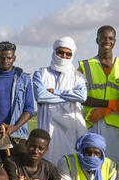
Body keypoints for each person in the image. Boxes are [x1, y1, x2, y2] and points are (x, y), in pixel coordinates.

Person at [78, 26, 119, 162]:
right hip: (92, 123)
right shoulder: (84, 66)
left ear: (115, 41)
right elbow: (80, 97)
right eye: (103, 38)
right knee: (93, 165)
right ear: (97, 40)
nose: (107, 41)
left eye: (110, 38)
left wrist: (108, 109)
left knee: (117, 165)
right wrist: (109, 105)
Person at [33, 37, 88, 165]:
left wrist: (56, 92)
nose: (64, 56)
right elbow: (41, 96)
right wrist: (69, 96)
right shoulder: (41, 73)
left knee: (71, 165)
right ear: (54, 51)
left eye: (68, 54)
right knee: (47, 162)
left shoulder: (78, 77)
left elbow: (82, 97)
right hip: (48, 125)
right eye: (60, 52)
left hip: (71, 129)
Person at [0, 41, 35, 160]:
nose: (5, 61)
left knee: (16, 173)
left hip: (17, 136)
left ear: (14, 58)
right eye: (2, 58)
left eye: (9, 58)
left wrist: (14, 128)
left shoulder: (24, 79)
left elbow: (29, 109)